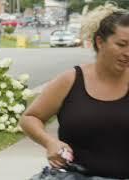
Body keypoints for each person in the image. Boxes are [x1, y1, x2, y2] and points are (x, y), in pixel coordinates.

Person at [20, 3, 129, 180]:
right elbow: (30, 118)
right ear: (100, 42)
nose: (128, 53)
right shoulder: (70, 80)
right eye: (122, 44)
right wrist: (50, 142)